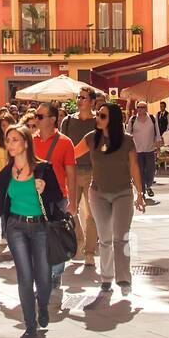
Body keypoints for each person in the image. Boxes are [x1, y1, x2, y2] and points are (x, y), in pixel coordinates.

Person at [0, 125, 63, 338]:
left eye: (14, 140)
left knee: (43, 277)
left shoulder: (43, 169)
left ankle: (43, 306)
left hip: (40, 228)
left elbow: (58, 196)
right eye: (8, 140)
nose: (10, 144)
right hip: (16, 228)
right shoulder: (5, 175)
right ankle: (30, 326)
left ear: (26, 143)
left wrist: (45, 188)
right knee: (24, 277)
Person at [78, 102, 144, 294]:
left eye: (103, 116)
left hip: (122, 193)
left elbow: (134, 167)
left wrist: (140, 193)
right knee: (105, 238)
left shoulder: (127, 140)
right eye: (98, 115)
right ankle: (106, 278)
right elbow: (71, 153)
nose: (97, 118)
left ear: (113, 120)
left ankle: (123, 277)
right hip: (98, 193)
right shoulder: (91, 138)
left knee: (121, 237)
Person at [32, 102, 77, 294]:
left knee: (55, 237)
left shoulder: (65, 142)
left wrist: (73, 202)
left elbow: (71, 173)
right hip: (33, 198)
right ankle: (43, 276)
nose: (36, 119)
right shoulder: (30, 141)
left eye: (40, 116)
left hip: (57, 197)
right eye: (36, 115)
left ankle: (56, 274)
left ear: (53, 119)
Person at [61, 88, 99, 267]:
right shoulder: (68, 121)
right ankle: (79, 239)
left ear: (92, 102)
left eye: (83, 98)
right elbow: (62, 145)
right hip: (72, 172)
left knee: (92, 215)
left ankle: (90, 252)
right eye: (78, 97)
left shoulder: (99, 121)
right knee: (71, 210)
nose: (79, 100)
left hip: (93, 171)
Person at [127, 100, 161, 202]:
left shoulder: (152, 119)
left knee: (151, 169)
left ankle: (148, 185)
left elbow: (157, 133)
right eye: (138, 107)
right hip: (136, 150)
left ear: (146, 108)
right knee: (139, 170)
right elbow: (128, 134)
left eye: (142, 107)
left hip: (150, 149)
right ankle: (142, 191)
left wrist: (158, 146)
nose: (140, 109)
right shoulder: (132, 120)